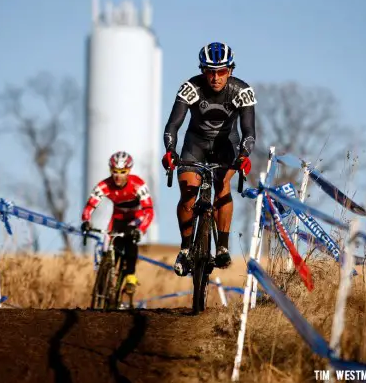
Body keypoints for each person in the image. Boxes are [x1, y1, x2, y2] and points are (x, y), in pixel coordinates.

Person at [161, 41, 256, 277]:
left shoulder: (242, 91)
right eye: (210, 71)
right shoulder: (190, 88)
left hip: (227, 145)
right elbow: (173, 124)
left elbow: (249, 131)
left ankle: (222, 246)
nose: (215, 77)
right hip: (196, 144)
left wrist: (244, 156)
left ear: (230, 70)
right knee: (188, 192)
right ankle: (185, 249)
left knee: (222, 187)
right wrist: (170, 151)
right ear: (203, 70)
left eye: (221, 71)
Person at [81, 151, 154, 296]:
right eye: (114, 171)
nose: (118, 176)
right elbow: (90, 206)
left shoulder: (138, 184)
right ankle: (105, 280)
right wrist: (86, 221)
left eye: (122, 172)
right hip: (118, 218)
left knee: (130, 241)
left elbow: (149, 211)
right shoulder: (104, 185)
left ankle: (130, 278)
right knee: (109, 248)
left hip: (136, 216)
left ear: (129, 171)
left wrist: (140, 230)